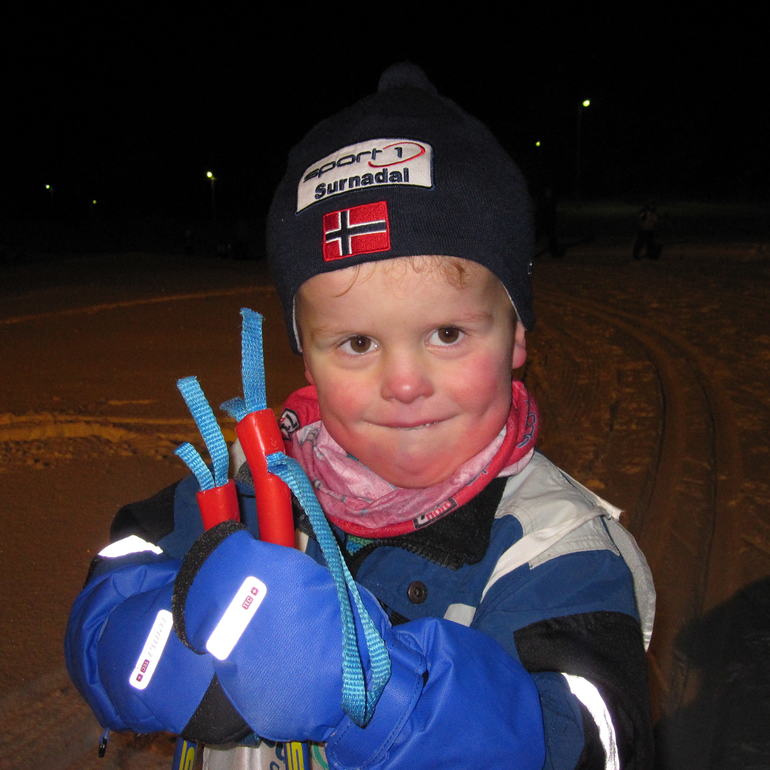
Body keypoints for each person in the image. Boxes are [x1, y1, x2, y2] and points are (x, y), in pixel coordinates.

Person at [65, 63, 655, 768]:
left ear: (518, 336)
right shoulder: (245, 491)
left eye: (447, 334)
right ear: (306, 359)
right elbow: (121, 564)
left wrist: (376, 697)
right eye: (357, 342)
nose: (403, 384)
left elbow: (594, 744)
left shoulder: (559, 553)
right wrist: (133, 640)